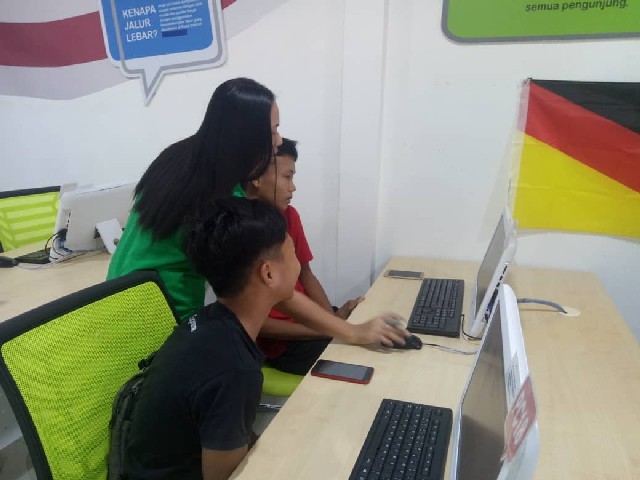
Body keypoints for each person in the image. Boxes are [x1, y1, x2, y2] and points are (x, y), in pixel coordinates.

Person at [107, 77, 407, 348]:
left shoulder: (179, 157)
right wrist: (351, 332)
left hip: (112, 302)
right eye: (273, 130)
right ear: (246, 136)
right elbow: (275, 287)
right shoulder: (222, 197)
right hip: (159, 317)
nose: (278, 140)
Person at [123, 197, 300, 480]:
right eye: (292, 253)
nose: (298, 261)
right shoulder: (236, 370)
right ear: (268, 273)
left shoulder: (207, 322)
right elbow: (225, 477)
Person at [245, 138, 363, 374]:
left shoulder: (289, 215)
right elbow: (258, 323)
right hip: (284, 344)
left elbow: (306, 273)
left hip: (309, 320)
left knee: (365, 321)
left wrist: (331, 319)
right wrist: (329, 328)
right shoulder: (242, 232)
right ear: (256, 177)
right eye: (287, 177)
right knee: (360, 357)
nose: (293, 187)